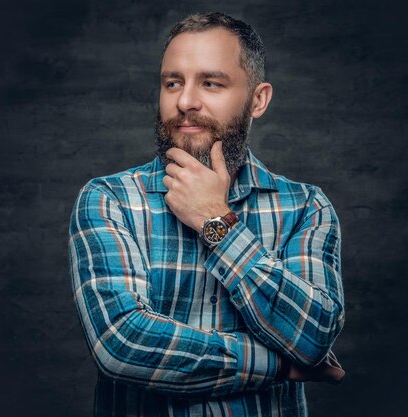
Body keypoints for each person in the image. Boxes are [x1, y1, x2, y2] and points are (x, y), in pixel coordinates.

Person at [69, 12, 344, 417]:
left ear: (258, 99)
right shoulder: (109, 200)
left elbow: (314, 335)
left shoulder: (305, 207)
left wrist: (217, 221)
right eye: (172, 83)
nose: (184, 102)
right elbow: (123, 344)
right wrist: (280, 363)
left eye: (211, 83)